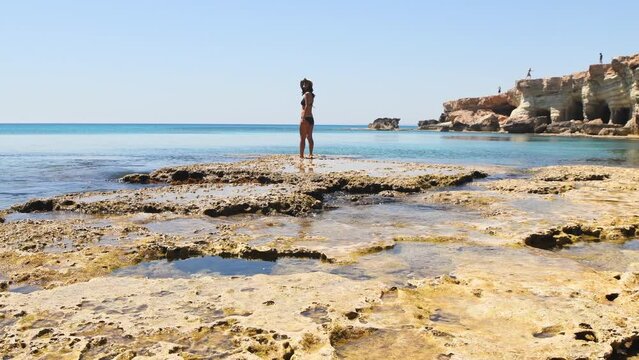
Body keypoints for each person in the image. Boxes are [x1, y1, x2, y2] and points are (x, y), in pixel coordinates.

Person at [299, 78, 315, 159]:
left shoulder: (307, 94)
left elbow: (307, 105)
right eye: (303, 84)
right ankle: (311, 154)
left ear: (309, 85)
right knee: (309, 137)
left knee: (302, 138)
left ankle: (301, 155)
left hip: (305, 117)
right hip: (311, 118)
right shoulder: (311, 94)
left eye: (306, 84)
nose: (304, 85)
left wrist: (303, 117)